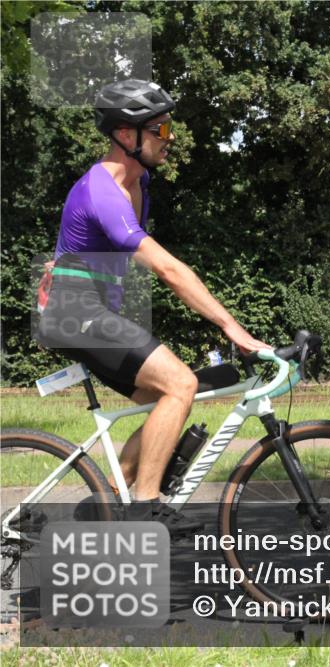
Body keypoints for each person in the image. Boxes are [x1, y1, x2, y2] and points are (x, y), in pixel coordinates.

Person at [36, 79, 270, 535]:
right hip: (76, 313)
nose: (171, 137)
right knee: (180, 384)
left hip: (88, 312)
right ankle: (145, 507)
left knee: (170, 400)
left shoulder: (138, 180)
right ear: (127, 135)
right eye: (160, 129)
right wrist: (232, 328)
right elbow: (167, 268)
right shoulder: (104, 191)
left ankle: (106, 507)